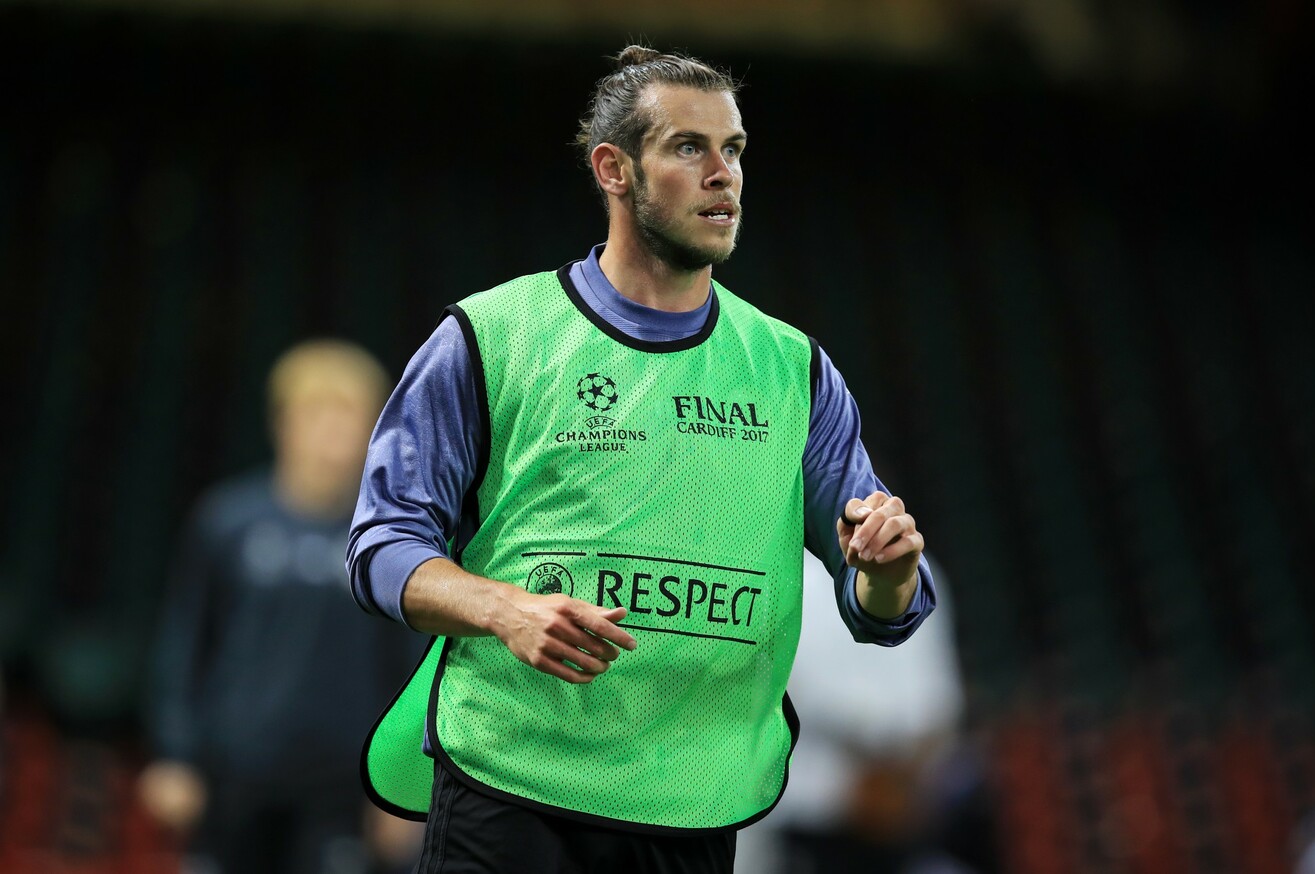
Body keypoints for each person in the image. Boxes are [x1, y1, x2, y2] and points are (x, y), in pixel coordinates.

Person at [347, 45, 938, 874]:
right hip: (511, 781)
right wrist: (505, 609)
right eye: (689, 147)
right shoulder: (494, 336)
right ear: (614, 169)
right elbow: (381, 546)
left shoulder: (791, 368)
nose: (723, 175)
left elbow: (881, 603)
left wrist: (888, 567)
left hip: (690, 798)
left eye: (733, 149)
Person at [139, 339, 425, 874]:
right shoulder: (227, 521)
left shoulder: (393, 542)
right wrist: (175, 755)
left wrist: (401, 784)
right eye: (318, 416)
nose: (333, 435)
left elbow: (409, 667)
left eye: (349, 418)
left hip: (338, 791)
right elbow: (184, 643)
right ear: (283, 422)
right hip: (230, 781)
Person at [734, 550, 983, 874]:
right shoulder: (772, 579)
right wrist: (850, 791)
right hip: (798, 832)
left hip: (902, 816)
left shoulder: (915, 569)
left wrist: (899, 786)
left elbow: (937, 712)